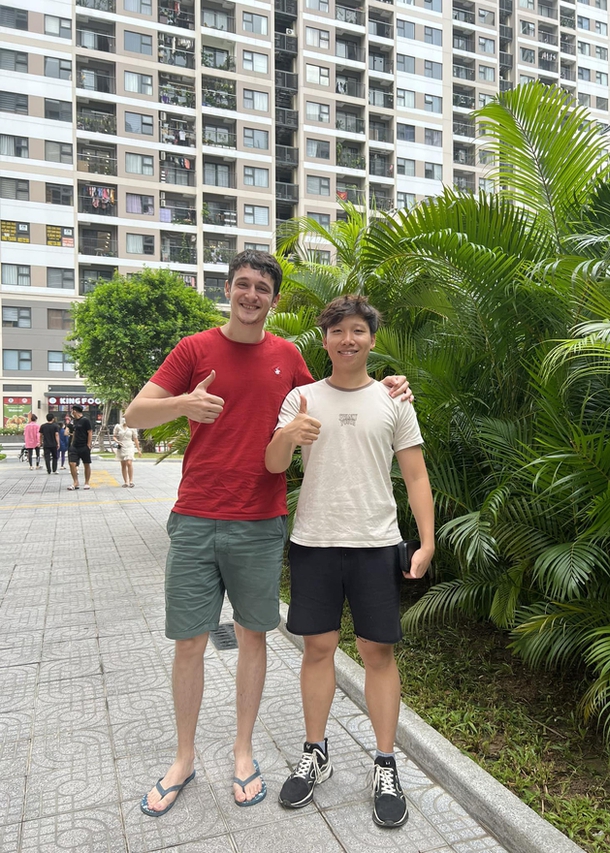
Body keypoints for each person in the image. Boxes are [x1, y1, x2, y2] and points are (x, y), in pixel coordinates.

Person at [124, 250, 411, 817]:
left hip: (260, 522)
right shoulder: (194, 349)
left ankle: (243, 753)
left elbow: (339, 387)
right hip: (196, 517)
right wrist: (186, 403)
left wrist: (390, 385)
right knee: (189, 642)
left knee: (254, 637)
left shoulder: (286, 356)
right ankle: (183, 759)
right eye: (242, 285)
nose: (251, 295)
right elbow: (136, 414)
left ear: (274, 300)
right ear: (227, 289)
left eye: (262, 288)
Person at [265, 295, 435, 829]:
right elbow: (272, 464)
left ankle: (385, 762)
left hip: (376, 544)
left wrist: (426, 542)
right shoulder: (300, 397)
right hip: (314, 542)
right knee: (317, 649)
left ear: (371, 339)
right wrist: (288, 435)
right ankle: (316, 750)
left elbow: (416, 476)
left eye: (357, 331)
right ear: (324, 339)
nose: (347, 340)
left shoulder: (394, 400)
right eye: (337, 331)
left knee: (377, 653)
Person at [67, 405, 93, 491]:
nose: (72, 413)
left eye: (72, 411)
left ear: (74, 411)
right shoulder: (74, 421)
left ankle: (86, 482)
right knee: (72, 463)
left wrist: (88, 444)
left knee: (86, 464)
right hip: (74, 446)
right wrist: (72, 443)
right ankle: (75, 482)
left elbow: (89, 432)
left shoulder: (85, 420)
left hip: (84, 445)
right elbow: (74, 432)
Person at [113, 417, 142, 487]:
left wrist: (138, 450)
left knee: (129, 463)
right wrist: (117, 441)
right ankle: (126, 481)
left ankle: (131, 481)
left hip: (129, 446)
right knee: (123, 464)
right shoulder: (118, 427)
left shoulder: (132, 427)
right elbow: (114, 436)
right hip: (121, 446)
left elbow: (135, 439)